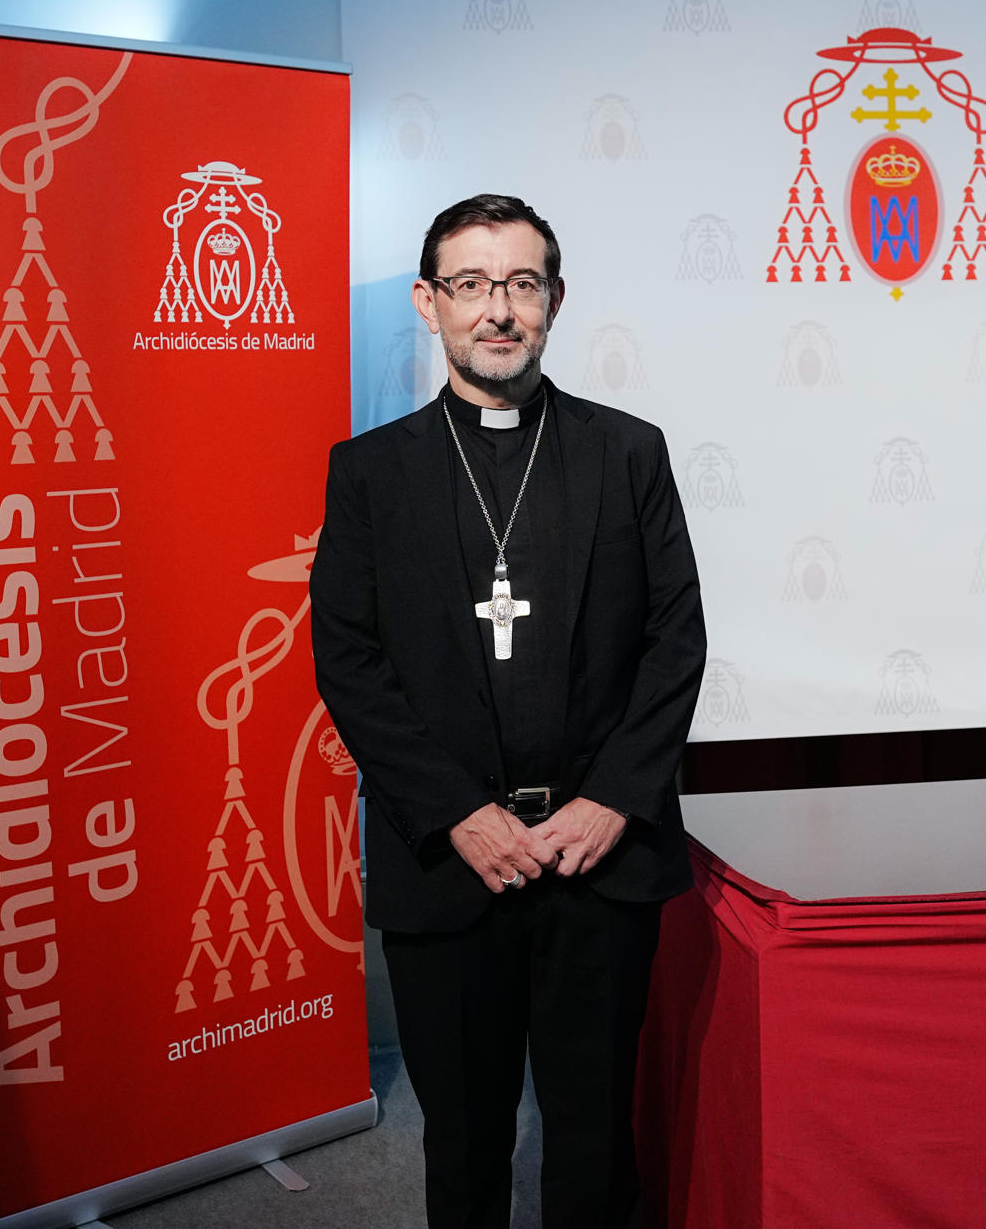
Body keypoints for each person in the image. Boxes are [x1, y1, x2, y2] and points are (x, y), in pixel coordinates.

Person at [310, 193, 707, 1229]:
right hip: (450, 862)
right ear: (428, 302)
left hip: (597, 859)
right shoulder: (369, 473)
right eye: (473, 284)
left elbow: (677, 640)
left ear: (555, 301)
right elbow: (348, 660)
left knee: (593, 1133)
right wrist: (457, 813)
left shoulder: (628, 454)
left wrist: (612, 801)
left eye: (522, 284)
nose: (499, 309)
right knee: (466, 1137)